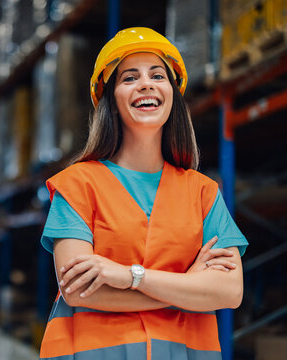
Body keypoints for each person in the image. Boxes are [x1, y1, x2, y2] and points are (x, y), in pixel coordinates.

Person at [39, 27, 248, 360]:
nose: (146, 84)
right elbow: (77, 290)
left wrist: (128, 276)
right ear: (111, 99)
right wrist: (188, 286)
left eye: (158, 75)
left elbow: (229, 290)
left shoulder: (203, 193)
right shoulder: (77, 185)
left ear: (172, 94)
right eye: (129, 78)